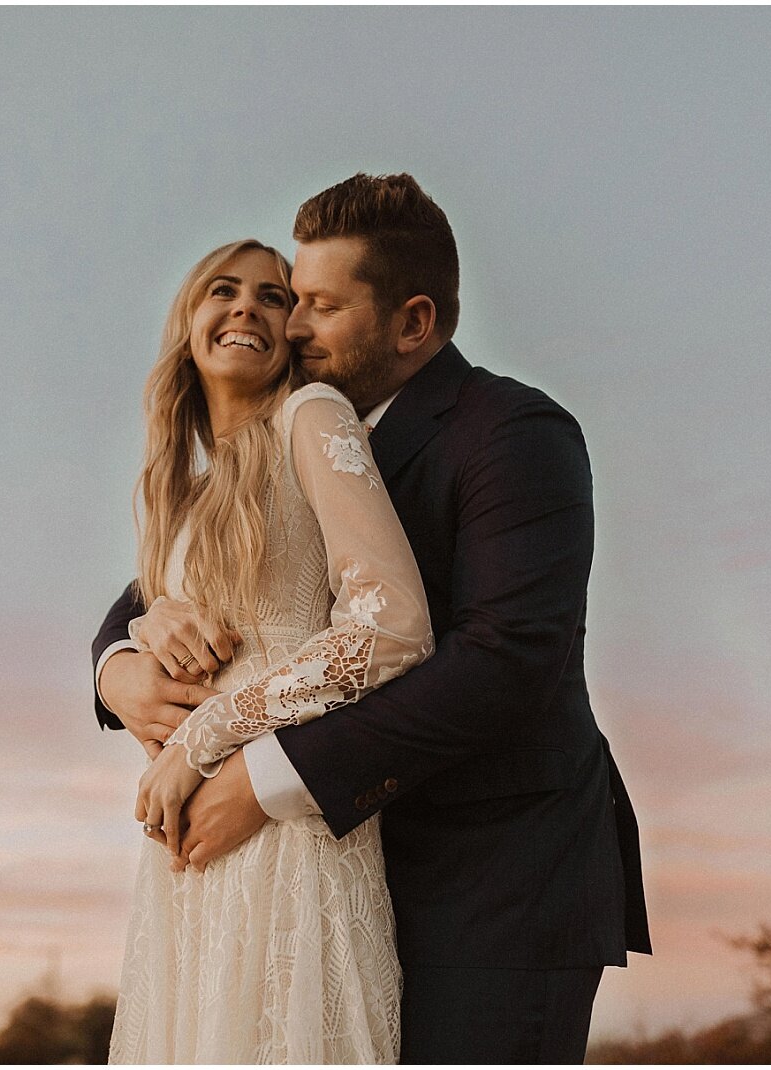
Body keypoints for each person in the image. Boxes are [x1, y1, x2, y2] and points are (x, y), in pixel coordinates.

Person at [95, 174, 651, 1063]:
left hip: (494, 887)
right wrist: (120, 661)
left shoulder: (511, 433)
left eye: (316, 304)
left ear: (413, 323)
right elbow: (169, 582)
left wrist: (263, 777)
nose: (293, 327)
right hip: (339, 874)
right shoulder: (278, 437)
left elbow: (505, 661)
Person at [102, 238, 434, 1063]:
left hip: (285, 822)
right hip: (191, 853)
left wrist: (207, 737)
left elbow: (392, 624)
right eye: (224, 289)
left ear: (290, 331)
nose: (247, 305)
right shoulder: (185, 489)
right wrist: (142, 634)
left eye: (273, 296)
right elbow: (160, 620)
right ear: (189, 323)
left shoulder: (311, 417)